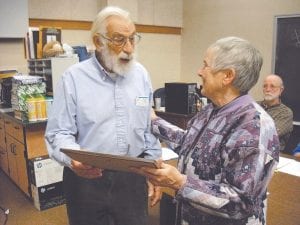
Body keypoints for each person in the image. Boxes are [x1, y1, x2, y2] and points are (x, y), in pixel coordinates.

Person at [132, 37, 280, 225]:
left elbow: (241, 203)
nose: (199, 72)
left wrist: (179, 182)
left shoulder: (253, 127)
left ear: (227, 75)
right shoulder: (211, 110)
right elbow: (190, 144)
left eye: (205, 65)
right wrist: (154, 121)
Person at [45, 6, 162, 225]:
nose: (128, 48)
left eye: (132, 39)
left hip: (132, 175)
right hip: (86, 178)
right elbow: (59, 132)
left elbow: (147, 125)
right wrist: (74, 159)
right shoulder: (73, 78)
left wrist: (153, 170)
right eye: (119, 39)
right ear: (98, 41)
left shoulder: (141, 75)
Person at [258, 74, 293, 151]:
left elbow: (269, 135)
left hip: (273, 154)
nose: (268, 89)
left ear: (281, 90)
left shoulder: (285, 112)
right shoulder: (253, 106)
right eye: (265, 86)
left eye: (272, 86)